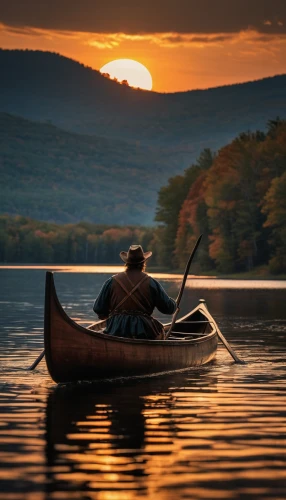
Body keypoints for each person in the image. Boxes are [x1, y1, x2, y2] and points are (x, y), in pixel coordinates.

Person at [93, 245, 176, 339]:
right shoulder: (151, 283)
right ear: (143, 263)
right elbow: (168, 309)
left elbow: (98, 308)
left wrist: (110, 316)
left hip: (115, 330)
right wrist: (174, 304)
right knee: (160, 332)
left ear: (126, 263)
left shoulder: (112, 281)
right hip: (144, 332)